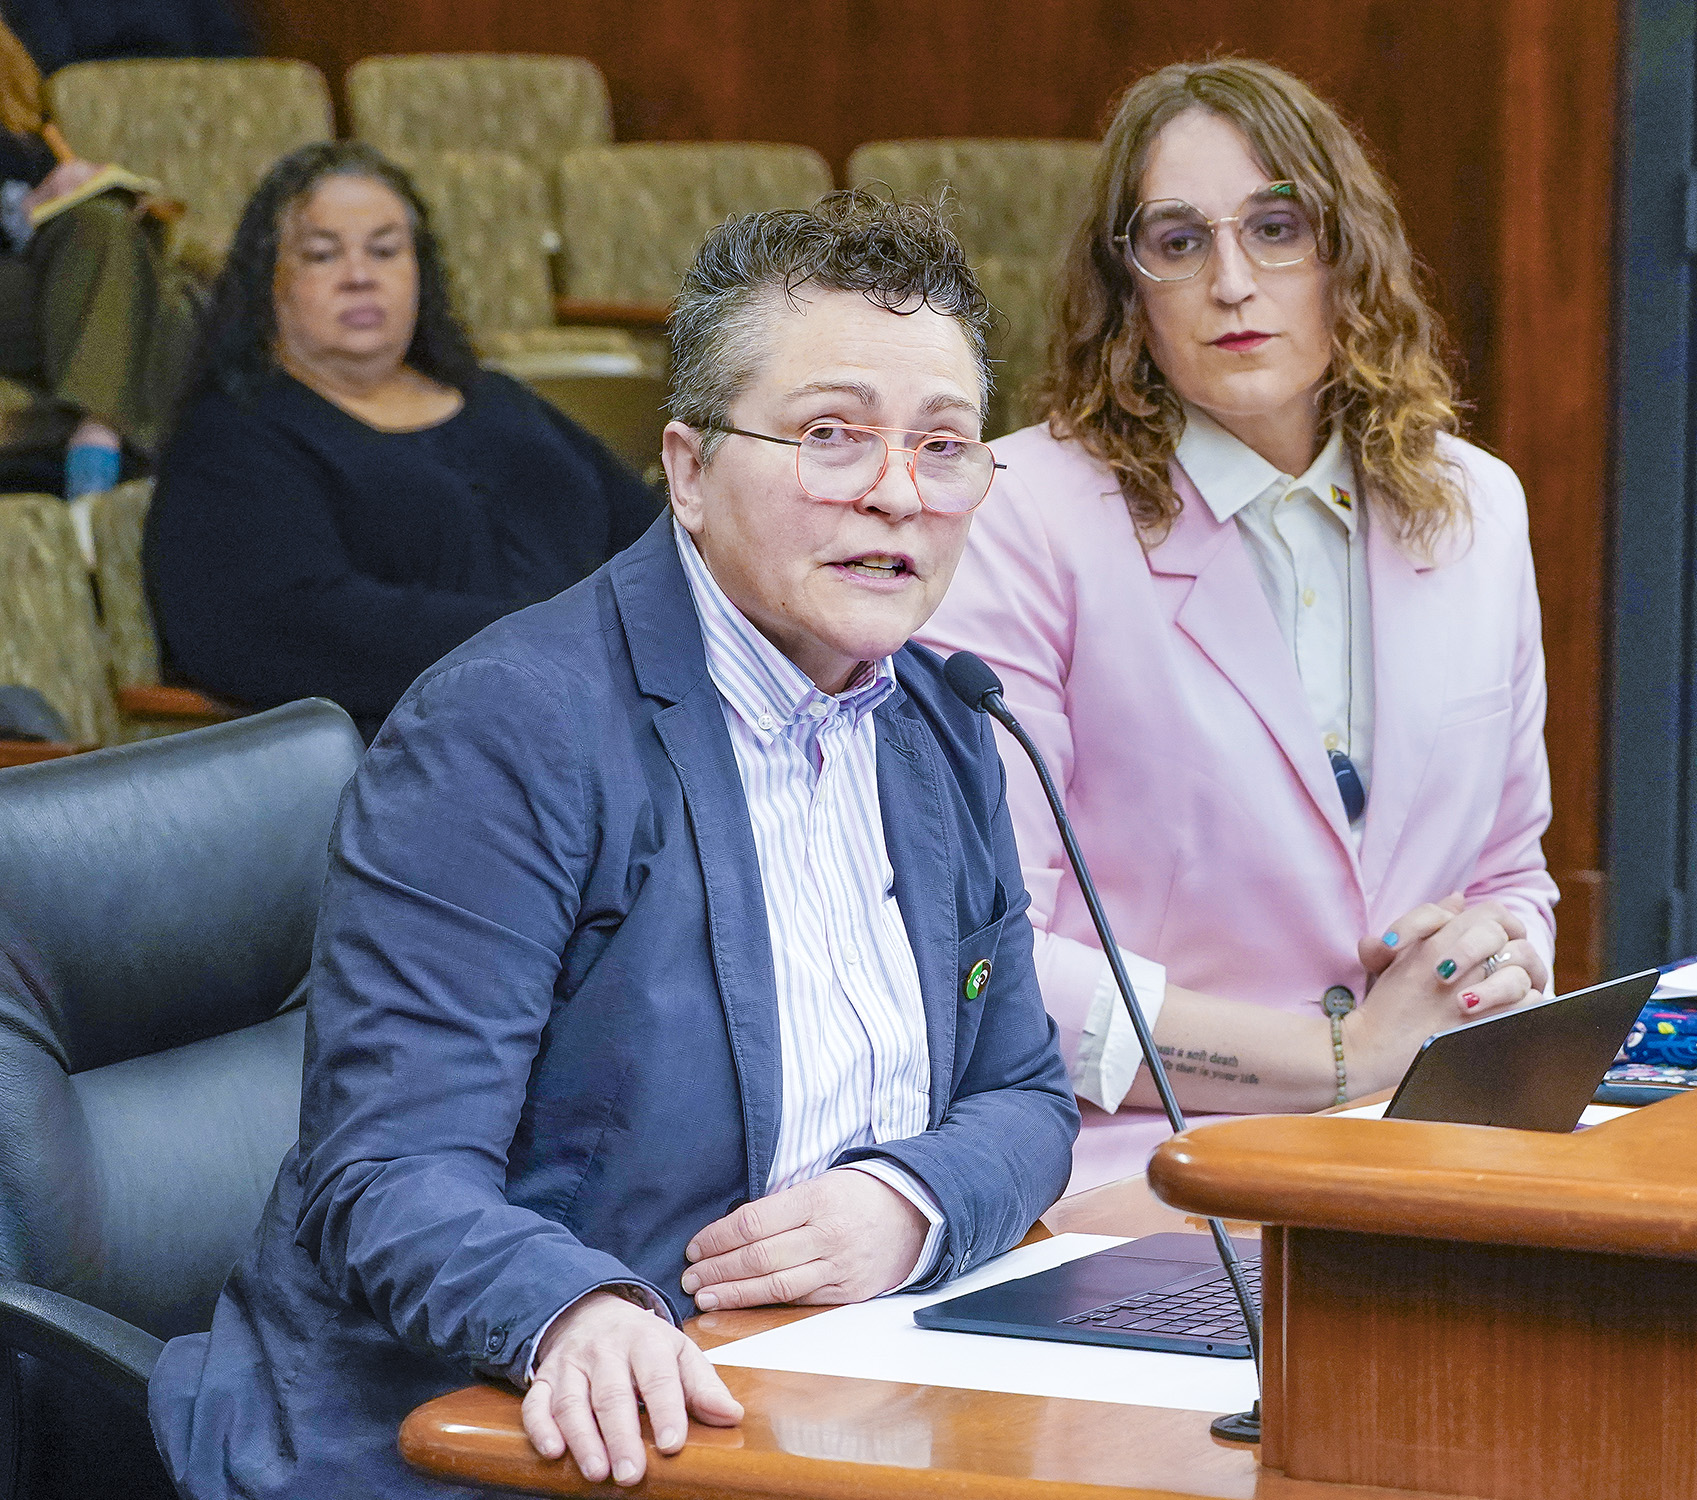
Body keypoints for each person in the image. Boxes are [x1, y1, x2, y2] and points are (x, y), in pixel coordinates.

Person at [145, 189, 1077, 1499]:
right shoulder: (504, 733)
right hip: (483, 1433)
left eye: (944, 448)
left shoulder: (941, 720)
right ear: (688, 472)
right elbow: (387, 1175)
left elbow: (1027, 1095)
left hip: (817, 1400)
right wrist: (574, 1312)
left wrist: (907, 1204)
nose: (897, 496)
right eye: (830, 437)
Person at [920, 58, 1559, 1193]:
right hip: (1147, 1173)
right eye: (1177, 241)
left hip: (1441, 1152)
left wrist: (1484, 967)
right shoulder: (1019, 517)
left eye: (1277, 227)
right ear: (1128, 286)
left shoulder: (1478, 505)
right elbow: (985, 957)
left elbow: (1512, 871)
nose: (1231, 282)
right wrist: (1339, 1058)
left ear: (1345, 254)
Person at [144, 142, 658, 740]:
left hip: (619, 716)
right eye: (322, 255)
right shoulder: (232, 437)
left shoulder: (496, 398)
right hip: (422, 753)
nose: (360, 277)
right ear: (268, 284)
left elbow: (648, 532)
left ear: (420, 272)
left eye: (385, 251)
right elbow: (286, 625)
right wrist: (559, 638)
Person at [0, 14, 197, 512]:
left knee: (117, 233)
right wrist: (20, 212)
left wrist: (73, 185)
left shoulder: (11, 69)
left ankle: (106, 467)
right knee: (154, 293)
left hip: (40, 276)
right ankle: (103, 459)